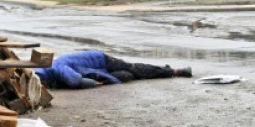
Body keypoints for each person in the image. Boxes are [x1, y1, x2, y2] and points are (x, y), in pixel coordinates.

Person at [35, 50, 192, 90]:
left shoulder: (55, 66)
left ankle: (175, 71)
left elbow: (75, 79)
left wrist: (95, 84)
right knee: (128, 76)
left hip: (100, 60)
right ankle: (160, 71)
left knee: (135, 69)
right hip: (100, 72)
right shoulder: (51, 73)